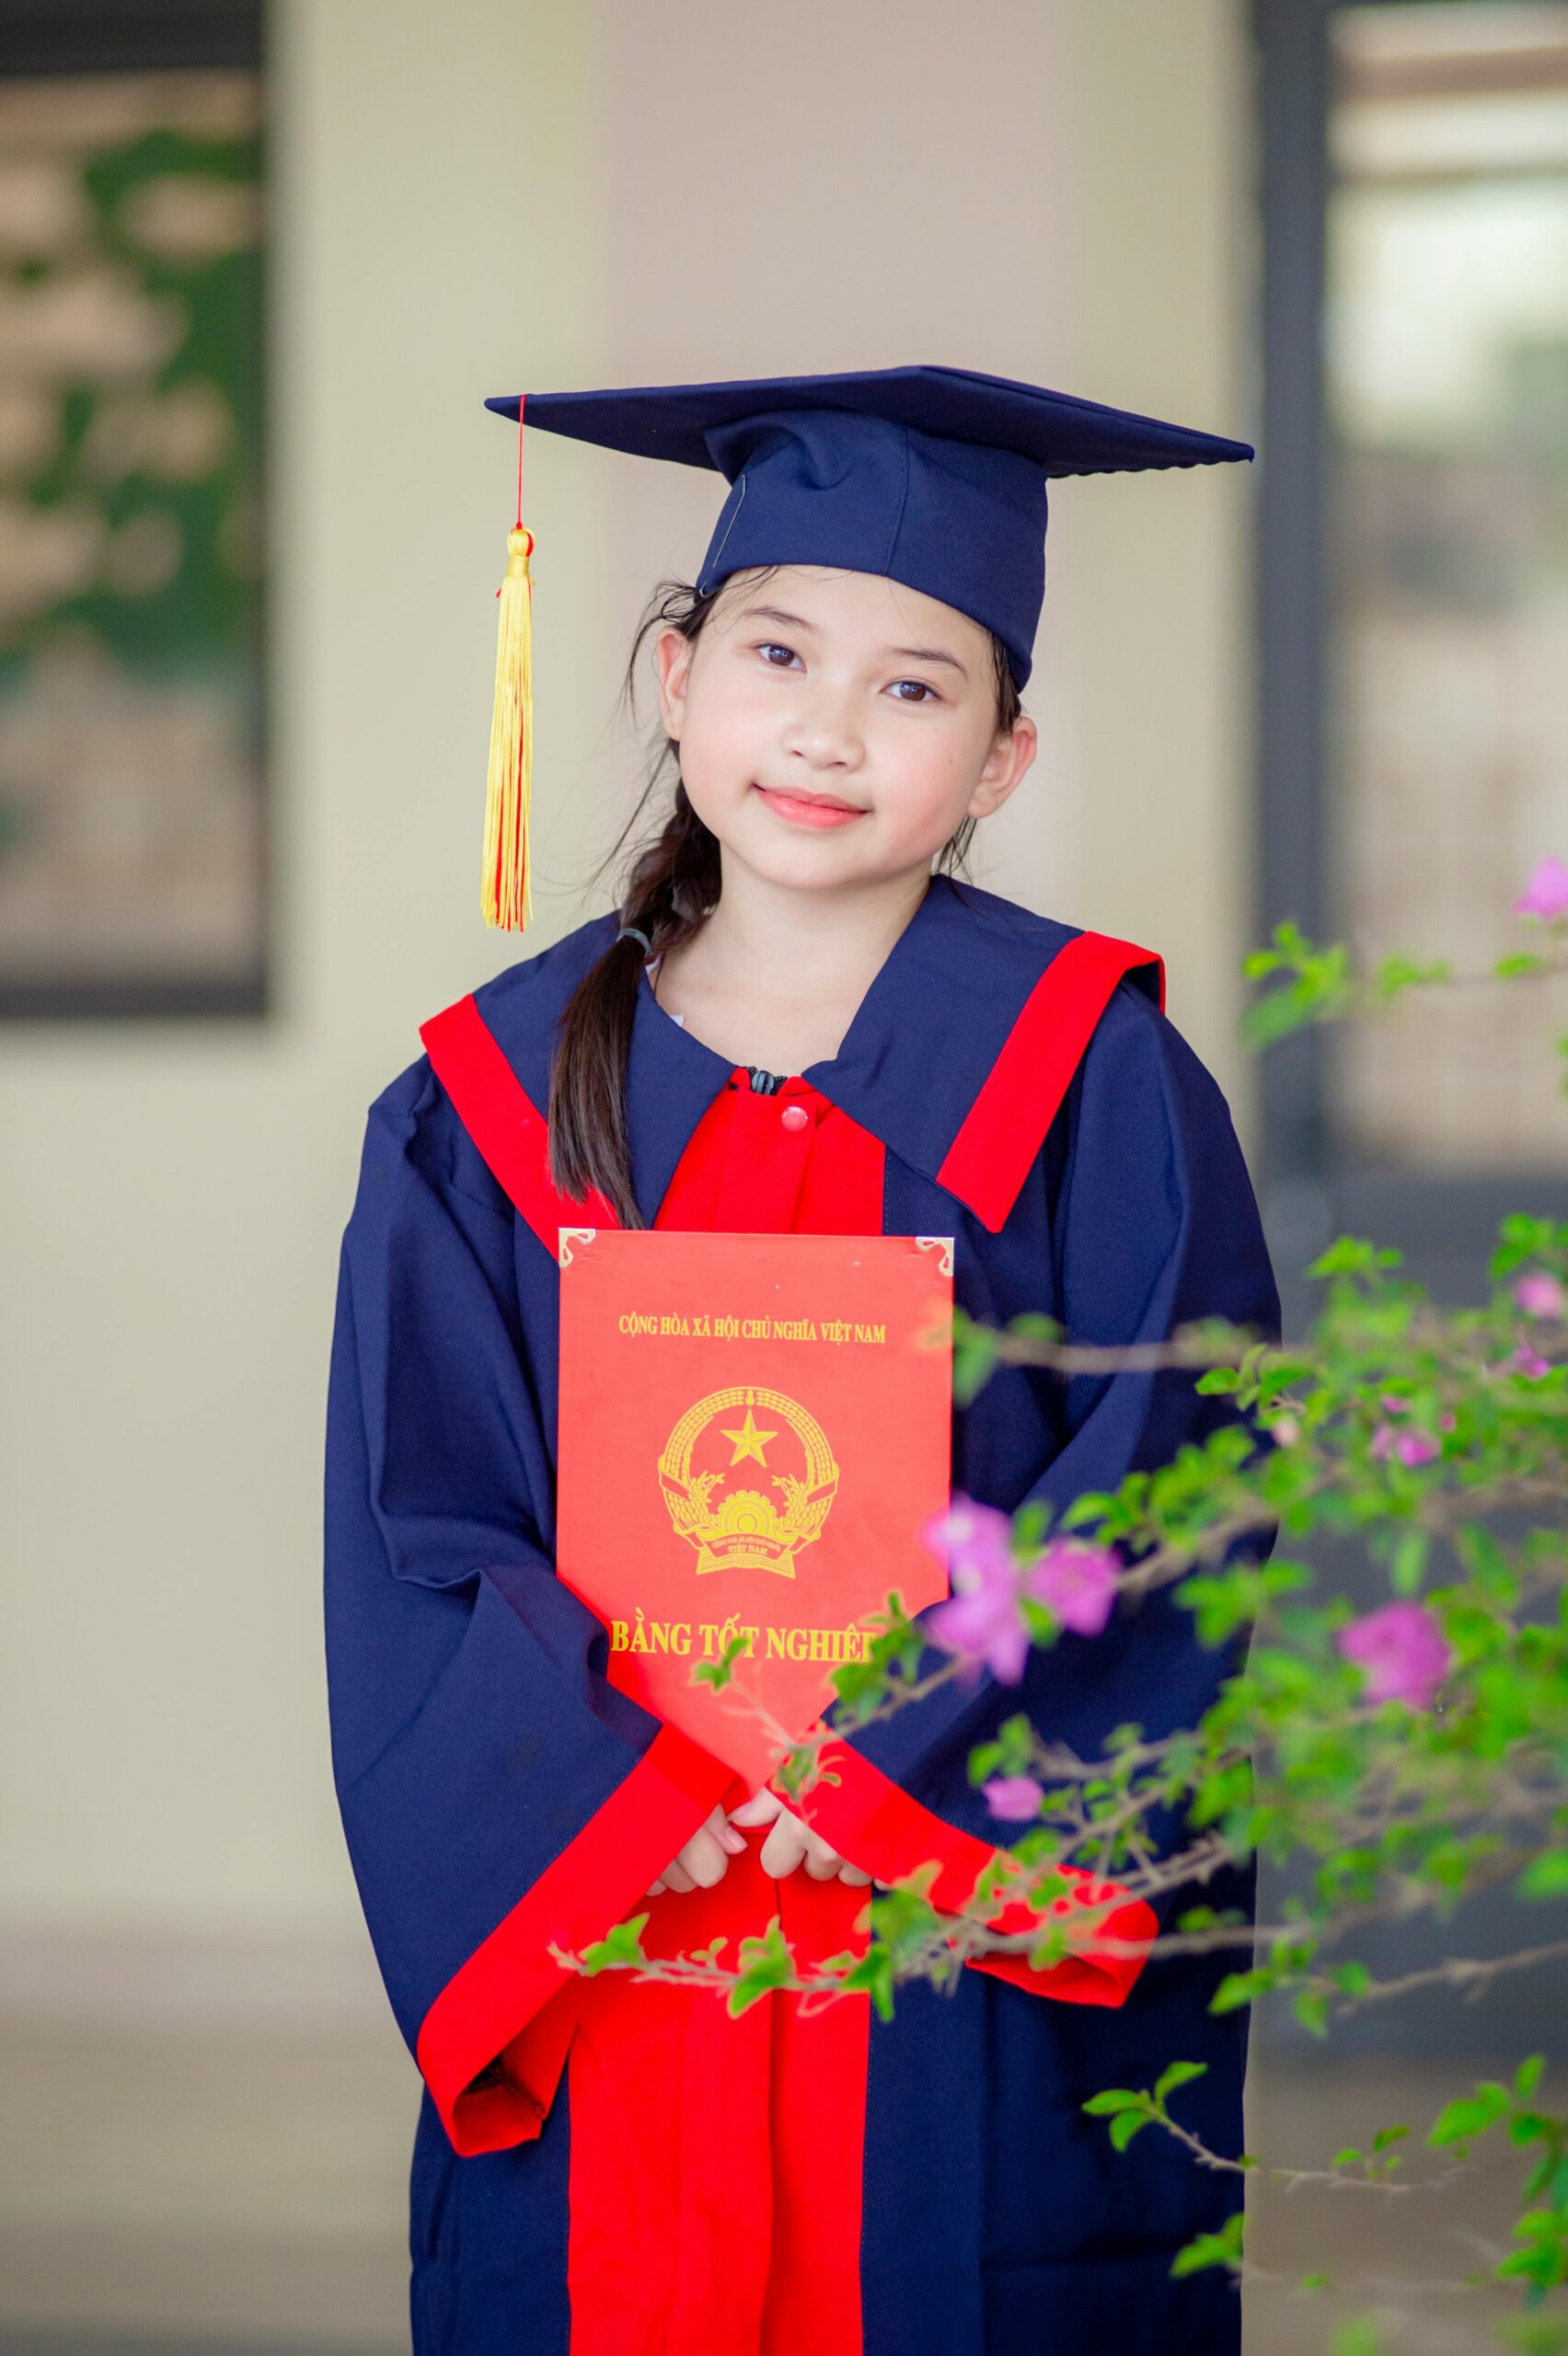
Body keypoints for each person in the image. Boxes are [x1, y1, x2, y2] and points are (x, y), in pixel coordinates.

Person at [324, 365, 1280, 2356]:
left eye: (917, 686)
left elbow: (1173, 1489)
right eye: (777, 650)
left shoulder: (1101, 1082)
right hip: (625, 1911)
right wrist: (616, 1795)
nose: (831, 729)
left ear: (1004, 758)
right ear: (675, 676)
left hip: (948, 1952)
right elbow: (426, 1522)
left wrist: (866, 1777)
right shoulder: (481, 1108)